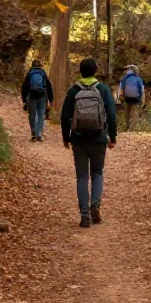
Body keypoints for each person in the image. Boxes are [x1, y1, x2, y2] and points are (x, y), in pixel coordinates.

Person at [60, 58, 117, 228]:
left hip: (78, 139)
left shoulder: (73, 90)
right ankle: (95, 206)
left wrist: (66, 137)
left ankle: (84, 214)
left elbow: (65, 117)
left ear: (81, 71)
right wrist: (112, 137)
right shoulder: (103, 90)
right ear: (95, 71)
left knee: (82, 176)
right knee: (97, 173)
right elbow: (111, 115)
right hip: (99, 138)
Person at [20, 59, 53, 142]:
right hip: (42, 97)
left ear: (32, 65)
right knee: (41, 115)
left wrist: (24, 100)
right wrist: (50, 99)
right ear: (40, 66)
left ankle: (33, 133)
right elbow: (49, 86)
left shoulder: (29, 73)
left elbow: (24, 87)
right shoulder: (43, 73)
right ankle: (39, 135)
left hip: (31, 97)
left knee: (32, 115)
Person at [118, 64, 145, 130]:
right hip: (136, 99)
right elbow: (142, 90)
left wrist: (120, 98)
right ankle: (132, 129)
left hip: (127, 98)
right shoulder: (138, 79)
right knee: (134, 114)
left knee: (127, 112)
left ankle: (127, 126)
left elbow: (120, 89)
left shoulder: (124, 79)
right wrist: (142, 100)